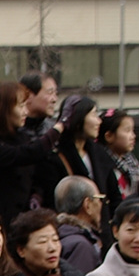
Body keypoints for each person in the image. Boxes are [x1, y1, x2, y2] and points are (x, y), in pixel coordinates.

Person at [0, 80, 65, 229]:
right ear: (3, 110)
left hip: (27, 224)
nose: (26, 112)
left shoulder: (22, 138)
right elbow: (27, 154)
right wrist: (58, 128)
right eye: (21, 106)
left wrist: (36, 196)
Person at [44, 98, 120, 247]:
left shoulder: (100, 154)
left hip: (103, 234)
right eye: (93, 115)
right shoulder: (54, 156)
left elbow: (114, 195)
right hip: (73, 234)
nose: (99, 121)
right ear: (78, 118)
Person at [54, 176, 104, 275]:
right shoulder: (81, 246)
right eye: (99, 199)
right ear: (87, 204)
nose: (101, 204)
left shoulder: (58, 234)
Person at [99, 109, 139, 199]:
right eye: (127, 131)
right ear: (109, 136)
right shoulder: (103, 166)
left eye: (133, 131)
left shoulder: (131, 161)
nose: (133, 136)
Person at [20, 72, 59, 138]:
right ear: (28, 95)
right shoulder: (10, 131)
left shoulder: (54, 131)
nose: (54, 100)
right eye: (50, 92)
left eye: (56, 93)